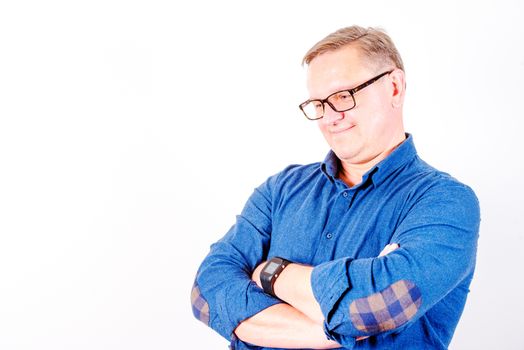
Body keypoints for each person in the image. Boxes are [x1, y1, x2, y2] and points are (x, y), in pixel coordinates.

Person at [190, 25, 480, 349]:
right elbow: (206, 293)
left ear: (394, 87)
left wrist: (272, 273)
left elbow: (377, 305)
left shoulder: (445, 202)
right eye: (318, 104)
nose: (330, 117)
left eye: (343, 96)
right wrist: (331, 331)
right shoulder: (281, 190)